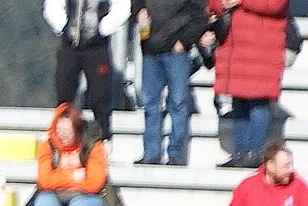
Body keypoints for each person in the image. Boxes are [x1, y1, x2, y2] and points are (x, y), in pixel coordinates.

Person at [208, 0, 290, 168]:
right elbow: (213, 3)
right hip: (234, 49)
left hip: (262, 49)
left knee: (258, 102)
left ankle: (255, 153)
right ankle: (239, 153)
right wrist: (222, 4)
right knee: (239, 102)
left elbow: (275, 4)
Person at [31, 105, 110, 206]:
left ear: (77, 128)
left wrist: (58, 178)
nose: (62, 134)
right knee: (43, 203)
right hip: (56, 198)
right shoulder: (48, 146)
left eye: (67, 130)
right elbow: (44, 181)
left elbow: (94, 183)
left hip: (89, 200)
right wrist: (74, 176)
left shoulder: (93, 145)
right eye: (59, 129)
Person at [45, 0, 129, 142]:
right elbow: (52, 5)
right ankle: (60, 141)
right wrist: (62, 26)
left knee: (100, 97)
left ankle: (102, 140)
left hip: (97, 47)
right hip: (69, 45)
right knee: (64, 94)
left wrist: (103, 29)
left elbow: (122, 6)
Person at [137, 1, 210, 163]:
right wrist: (138, 11)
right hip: (150, 49)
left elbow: (200, 16)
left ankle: (175, 154)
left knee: (177, 103)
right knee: (150, 104)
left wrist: (184, 41)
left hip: (176, 52)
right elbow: (137, 4)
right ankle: (151, 153)